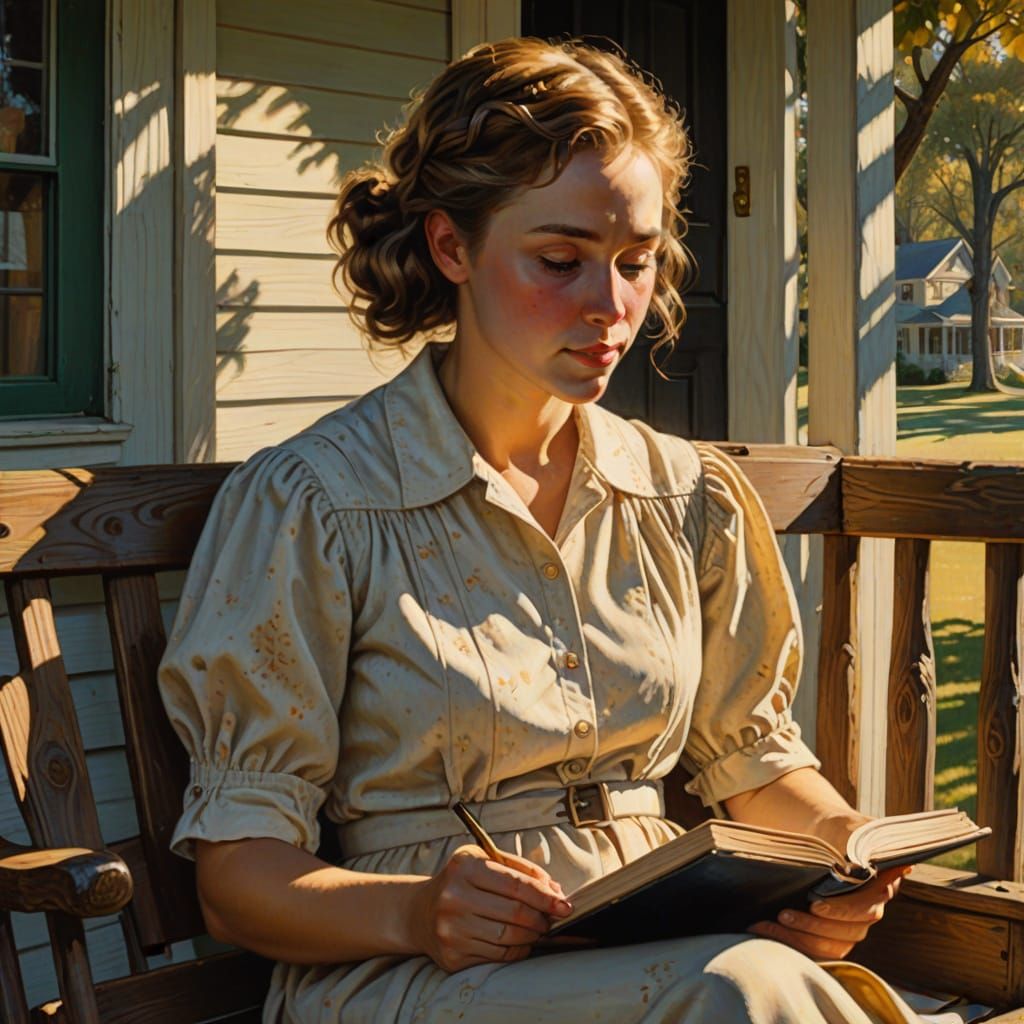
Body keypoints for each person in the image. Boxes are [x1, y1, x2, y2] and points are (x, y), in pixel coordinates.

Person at [158, 37, 922, 1024]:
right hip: (413, 976)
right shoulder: (315, 503)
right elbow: (236, 882)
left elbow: (759, 764)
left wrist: (839, 854)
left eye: (637, 263)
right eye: (560, 261)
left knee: (750, 983)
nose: (611, 306)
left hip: (658, 948)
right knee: (742, 990)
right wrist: (415, 910)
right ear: (451, 248)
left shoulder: (684, 495)